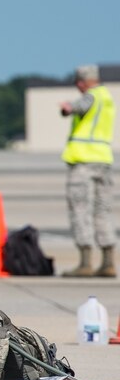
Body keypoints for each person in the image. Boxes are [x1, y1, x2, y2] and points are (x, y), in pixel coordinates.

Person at [60, 64, 116, 278]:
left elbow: (79, 106)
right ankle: (108, 261)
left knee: (80, 210)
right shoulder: (106, 96)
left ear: (82, 82)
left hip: (83, 162)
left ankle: (85, 262)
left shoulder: (90, 96)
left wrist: (67, 108)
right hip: (103, 161)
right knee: (102, 211)